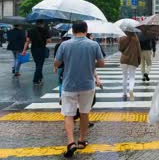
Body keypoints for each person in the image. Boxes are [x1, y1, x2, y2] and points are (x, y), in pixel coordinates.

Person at [54, 21, 104, 158]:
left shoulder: (64, 45)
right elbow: (101, 63)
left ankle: (71, 143)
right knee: (84, 113)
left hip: (69, 85)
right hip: (87, 85)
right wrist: (90, 62)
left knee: (68, 114)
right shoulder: (94, 44)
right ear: (86, 30)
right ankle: (82, 141)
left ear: (72, 30)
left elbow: (56, 63)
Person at [22, 19, 51, 85]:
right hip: (42, 49)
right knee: (40, 64)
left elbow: (27, 41)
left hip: (34, 49)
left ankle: (40, 77)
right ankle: (35, 80)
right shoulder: (45, 30)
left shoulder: (31, 30)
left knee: (37, 63)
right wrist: (44, 42)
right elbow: (49, 40)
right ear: (42, 24)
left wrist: (24, 50)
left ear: (36, 23)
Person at [119, 31, 141, 101]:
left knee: (124, 77)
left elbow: (119, 49)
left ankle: (124, 94)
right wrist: (139, 60)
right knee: (132, 77)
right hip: (133, 59)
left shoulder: (122, 37)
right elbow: (139, 50)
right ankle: (131, 90)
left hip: (123, 59)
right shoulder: (136, 38)